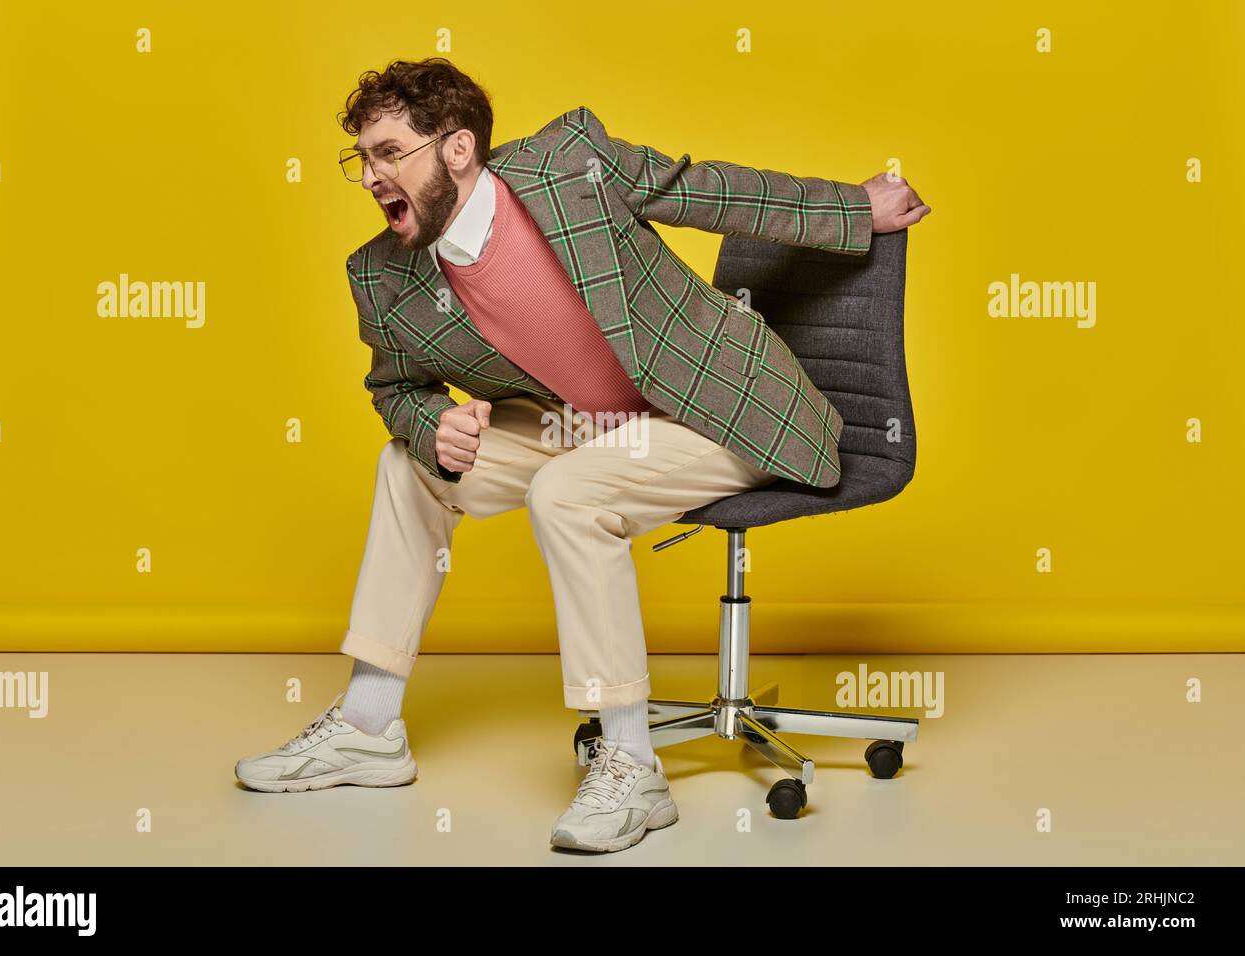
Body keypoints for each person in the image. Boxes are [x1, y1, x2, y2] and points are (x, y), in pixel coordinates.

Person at [235, 56, 930, 853]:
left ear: (457, 149)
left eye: (389, 152)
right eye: (361, 159)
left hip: (725, 413)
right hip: (593, 434)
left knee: (566, 492)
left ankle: (634, 766)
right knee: (409, 466)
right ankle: (367, 727)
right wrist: (433, 426)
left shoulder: (572, 163)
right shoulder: (381, 277)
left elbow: (711, 192)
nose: (370, 176)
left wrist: (853, 209)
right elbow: (396, 389)